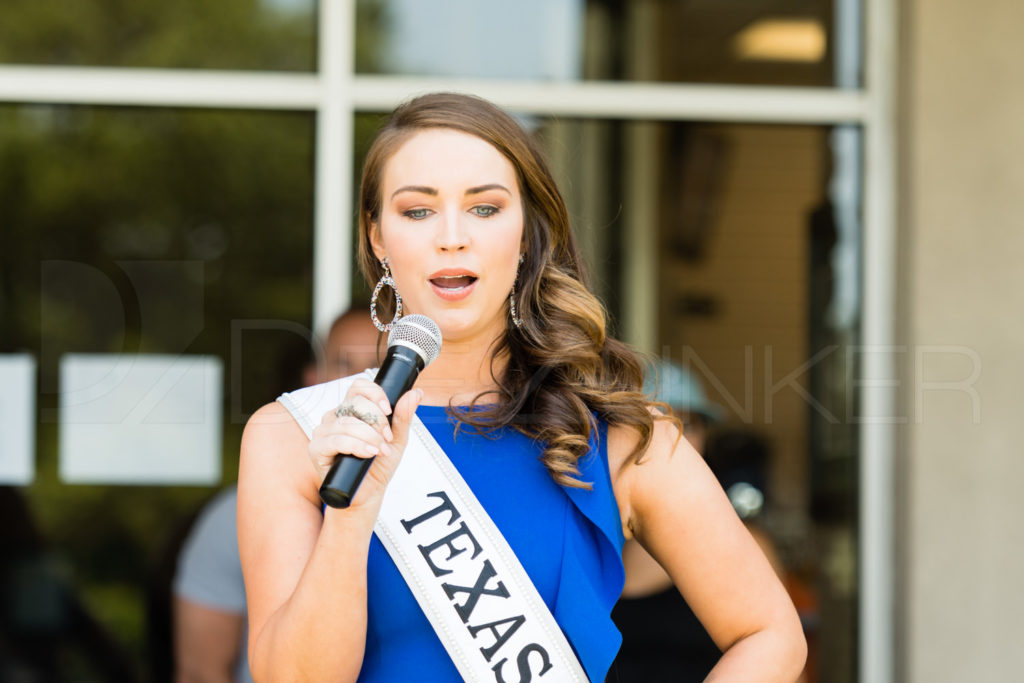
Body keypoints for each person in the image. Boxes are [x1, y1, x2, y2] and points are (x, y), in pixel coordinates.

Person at [238, 92, 806, 682]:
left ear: (529, 234)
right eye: (417, 211)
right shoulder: (296, 435)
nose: (452, 237)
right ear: (377, 236)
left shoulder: (617, 437)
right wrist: (350, 521)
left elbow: (769, 633)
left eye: (484, 208)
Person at [172, 309, 379, 683]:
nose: (359, 384)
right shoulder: (230, 516)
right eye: (344, 365)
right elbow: (201, 671)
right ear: (312, 379)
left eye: (379, 367)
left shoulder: (436, 495)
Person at [610, 361, 790, 681]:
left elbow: (785, 663)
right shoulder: (581, 532)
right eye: (655, 419)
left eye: (689, 424)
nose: (673, 437)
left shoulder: (747, 544)